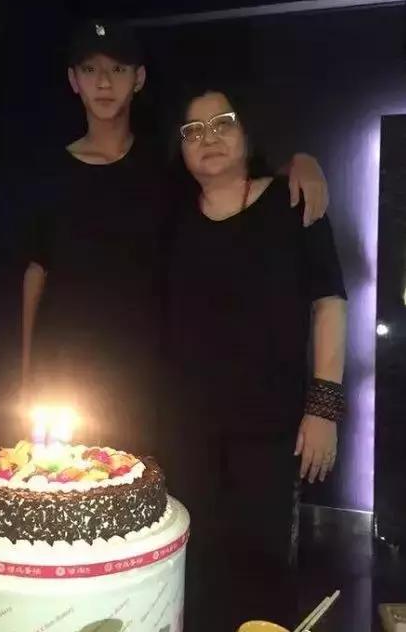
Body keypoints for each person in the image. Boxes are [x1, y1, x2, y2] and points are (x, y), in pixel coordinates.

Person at [19, 21, 329, 455]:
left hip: (150, 377)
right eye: (90, 70)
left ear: (139, 78)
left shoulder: (164, 164)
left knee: (141, 490)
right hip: (63, 370)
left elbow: (231, 182)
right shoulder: (48, 171)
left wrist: (300, 161)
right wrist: (26, 372)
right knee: (64, 485)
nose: (104, 82)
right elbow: (36, 272)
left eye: (118, 69)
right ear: (73, 80)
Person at [163, 85, 347, 630]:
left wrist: (324, 407)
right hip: (186, 432)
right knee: (192, 574)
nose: (209, 138)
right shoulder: (173, 219)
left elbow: (329, 303)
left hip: (270, 430)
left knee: (263, 579)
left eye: (222, 122)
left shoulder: (292, 202)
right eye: (193, 130)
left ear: (247, 132)